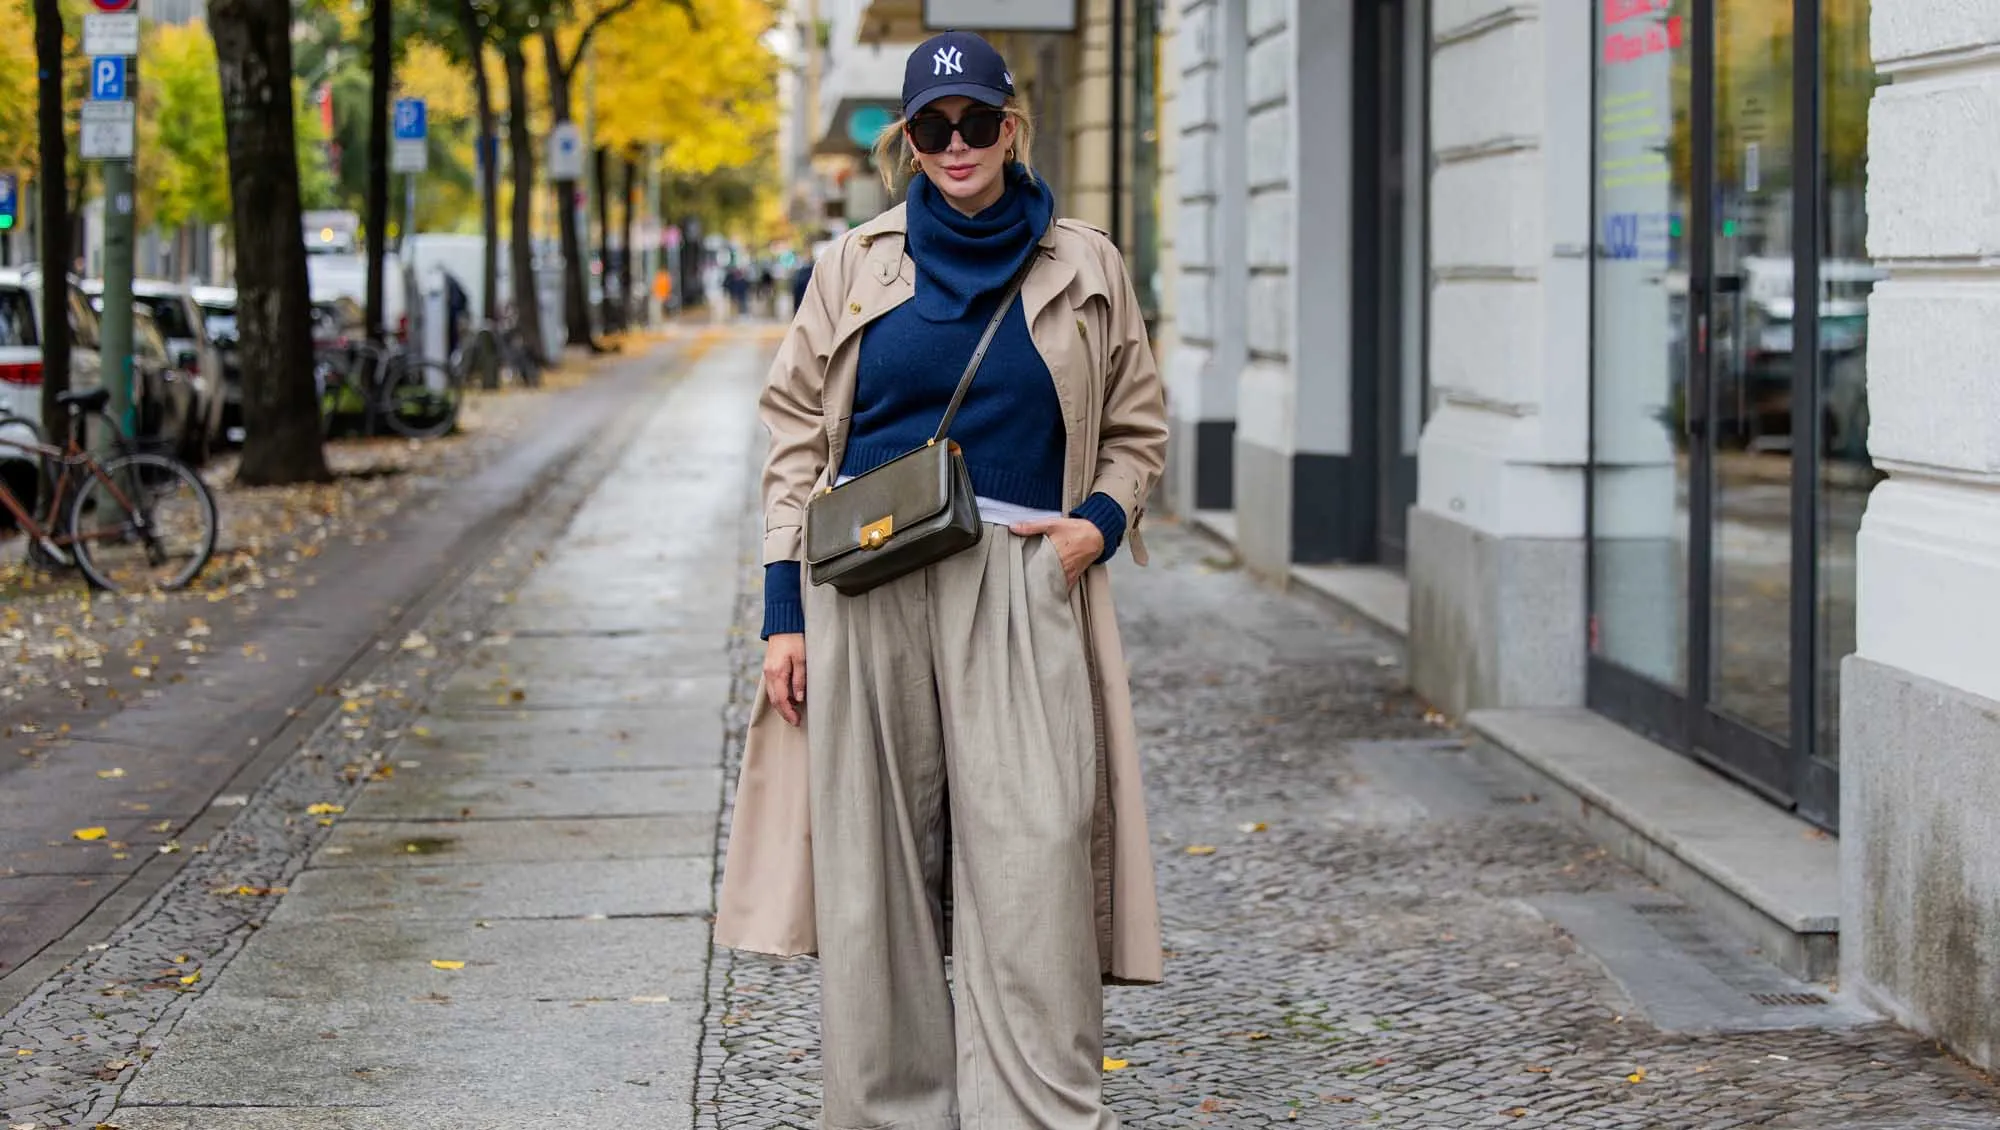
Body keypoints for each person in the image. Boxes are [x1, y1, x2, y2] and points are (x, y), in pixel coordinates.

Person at [715, 29, 1168, 1130]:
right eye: (932, 125)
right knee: (873, 889)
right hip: (863, 591)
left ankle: (1039, 1113)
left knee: (1036, 868)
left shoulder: (1084, 263)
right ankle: (890, 1114)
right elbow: (792, 440)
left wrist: (1094, 529)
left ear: (1012, 128)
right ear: (907, 143)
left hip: (1019, 583)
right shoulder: (851, 265)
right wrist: (782, 616)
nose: (955, 143)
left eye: (976, 121)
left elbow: (1137, 428)